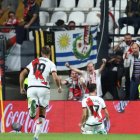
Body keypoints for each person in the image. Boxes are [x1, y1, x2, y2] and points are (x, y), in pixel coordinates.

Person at [19, 46, 62, 140]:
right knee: (42, 112)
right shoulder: (51, 63)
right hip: (43, 88)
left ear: (41, 53)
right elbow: (55, 77)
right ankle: (36, 136)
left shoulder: (34, 61)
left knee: (32, 116)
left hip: (31, 88)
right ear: (49, 53)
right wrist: (59, 87)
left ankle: (32, 110)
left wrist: (22, 88)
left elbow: (22, 74)